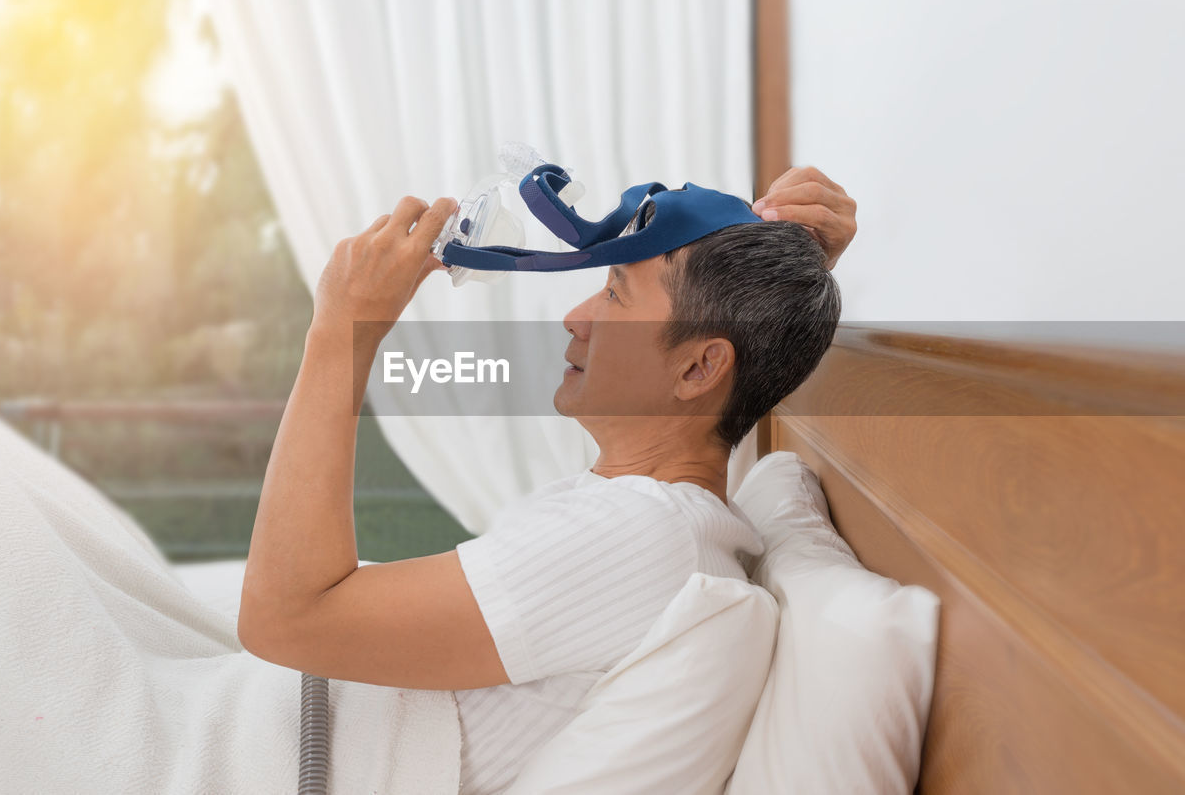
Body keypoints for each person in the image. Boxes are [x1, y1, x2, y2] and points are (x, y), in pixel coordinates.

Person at [238, 167, 858, 793]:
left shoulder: (640, 535)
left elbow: (286, 619)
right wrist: (782, 276)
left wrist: (341, 330)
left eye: (616, 293)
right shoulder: (654, 519)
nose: (574, 317)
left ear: (700, 368)